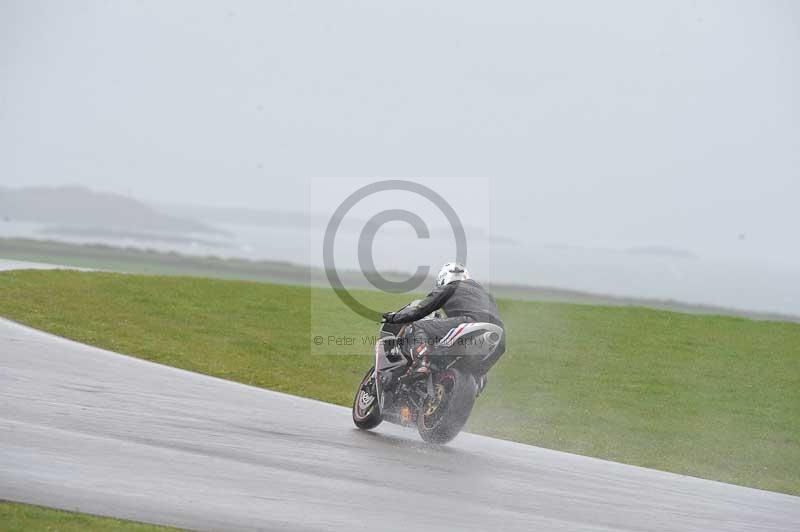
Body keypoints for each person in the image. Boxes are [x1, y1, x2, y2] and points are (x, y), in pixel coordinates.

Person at [381, 263, 505, 392]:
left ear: (444, 278)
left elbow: (420, 310)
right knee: (474, 372)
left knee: (417, 326)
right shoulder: (485, 294)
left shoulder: (450, 287)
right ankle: (475, 384)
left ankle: (422, 363)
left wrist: (395, 318)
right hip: (499, 337)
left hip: (471, 322)